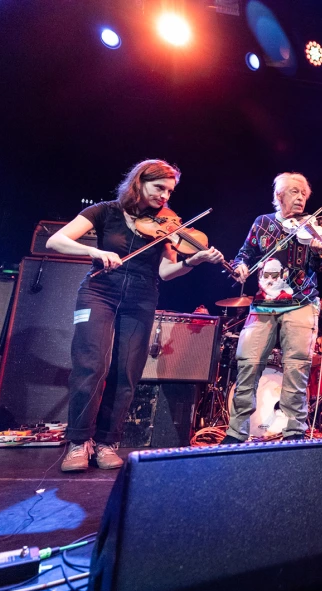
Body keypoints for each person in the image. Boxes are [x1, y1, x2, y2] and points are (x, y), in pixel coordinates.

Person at [47, 159, 225, 472]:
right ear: (139, 182)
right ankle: (78, 441)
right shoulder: (105, 211)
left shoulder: (166, 224)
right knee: (91, 366)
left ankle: (106, 442)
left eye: (169, 191)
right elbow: (56, 240)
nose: (165, 196)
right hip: (99, 291)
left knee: (126, 373)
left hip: (141, 298)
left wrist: (193, 261)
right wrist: (94, 251)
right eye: (159, 188)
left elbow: (166, 271)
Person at [222, 172, 322, 444]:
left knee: (297, 368)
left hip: (301, 303)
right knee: (248, 364)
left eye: (304, 193)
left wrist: (320, 251)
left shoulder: (314, 226)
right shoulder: (263, 222)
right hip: (264, 304)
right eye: (294, 192)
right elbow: (244, 253)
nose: (300, 197)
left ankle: (295, 432)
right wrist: (240, 267)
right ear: (279, 196)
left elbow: (320, 267)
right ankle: (236, 432)